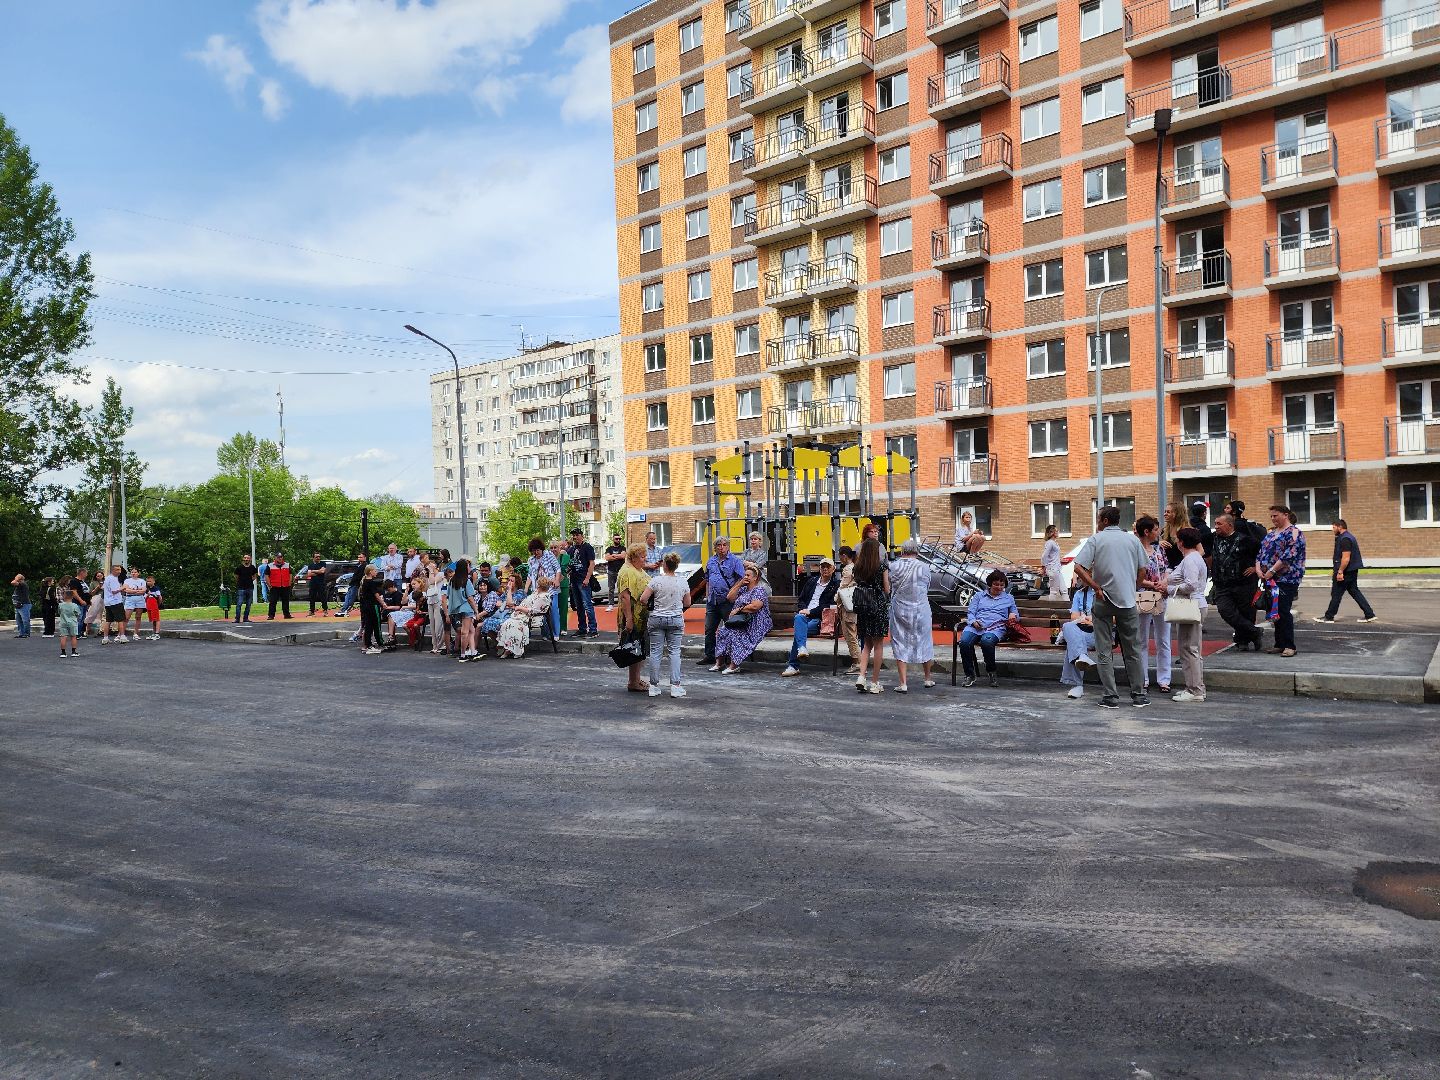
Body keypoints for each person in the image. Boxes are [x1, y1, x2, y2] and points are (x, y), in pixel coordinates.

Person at [1072, 505, 1151, 709]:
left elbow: (1078, 567)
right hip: (1127, 601)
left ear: (1105, 520)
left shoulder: (1096, 539)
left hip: (1103, 599)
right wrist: (1133, 587)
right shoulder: (1132, 540)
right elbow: (1143, 569)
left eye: (1099, 518)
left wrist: (1095, 586)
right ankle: (1138, 694)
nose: (1097, 522)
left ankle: (1110, 696)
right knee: (1132, 649)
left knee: (1104, 650)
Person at [1167, 526, 1210, 703]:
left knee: (1189, 648)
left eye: (1178, 540)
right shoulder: (1195, 558)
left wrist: (1169, 589)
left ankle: (1195, 690)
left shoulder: (1191, 559)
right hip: (1195, 604)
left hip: (1191, 605)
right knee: (1191, 648)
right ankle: (1194, 687)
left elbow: (1191, 584)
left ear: (1182, 542)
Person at [887, 539, 935, 693]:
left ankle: (903, 683)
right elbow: (926, 587)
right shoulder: (924, 567)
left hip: (899, 609)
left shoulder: (893, 566)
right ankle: (927, 678)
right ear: (917, 551)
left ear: (902, 551)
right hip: (921, 609)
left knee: (899, 641)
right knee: (925, 641)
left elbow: (889, 587)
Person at [1257, 504, 1306, 658]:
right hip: (1269, 578)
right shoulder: (1271, 534)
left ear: (1285, 515)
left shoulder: (1294, 532)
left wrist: (1272, 570)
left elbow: (1289, 555)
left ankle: (1290, 645)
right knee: (1274, 611)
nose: (1273, 519)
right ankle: (1279, 644)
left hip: (1286, 578)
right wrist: (1258, 569)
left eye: (1275, 515)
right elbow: (1261, 552)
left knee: (1283, 610)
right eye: (1271, 516)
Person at [959, 569, 1019, 688]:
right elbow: (971, 612)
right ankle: (969, 674)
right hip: (976, 627)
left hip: (996, 628)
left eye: (1002, 585)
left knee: (986, 642)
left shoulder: (1009, 598)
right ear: (990, 584)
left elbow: (1015, 614)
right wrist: (973, 621)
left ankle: (991, 672)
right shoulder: (979, 596)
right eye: (996, 584)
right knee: (964, 642)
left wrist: (1013, 615)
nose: (999, 587)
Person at [641, 550, 689, 697]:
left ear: (664, 565)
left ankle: (653, 686)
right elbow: (687, 602)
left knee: (655, 652)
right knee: (674, 652)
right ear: (676, 565)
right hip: (675, 618)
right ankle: (675, 686)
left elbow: (643, 599)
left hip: (657, 618)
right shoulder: (682, 581)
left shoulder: (656, 580)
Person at [1210, 514, 1262, 650]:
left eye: (1219, 524)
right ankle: (1255, 632)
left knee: (1246, 612)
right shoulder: (1213, 538)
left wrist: (1256, 568)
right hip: (1222, 584)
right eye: (1215, 524)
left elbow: (1264, 553)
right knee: (1225, 610)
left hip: (1244, 583)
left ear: (1230, 525)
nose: (1216, 527)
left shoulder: (1246, 540)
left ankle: (1243, 641)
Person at [781, 557, 840, 677]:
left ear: (833, 569)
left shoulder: (835, 585)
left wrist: (810, 612)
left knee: (799, 631)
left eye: (828, 567)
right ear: (819, 568)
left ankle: (793, 665)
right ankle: (801, 649)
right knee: (799, 618)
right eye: (823, 566)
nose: (825, 569)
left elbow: (829, 606)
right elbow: (801, 599)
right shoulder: (811, 581)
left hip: (820, 619)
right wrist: (804, 610)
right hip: (804, 617)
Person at [1135, 515, 1173, 695]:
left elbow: (1166, 569)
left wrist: (1164, 583)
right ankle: (1143, 679)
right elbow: (1135, 576)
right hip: (1144, 595)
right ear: (1147, 531)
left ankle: (1164, 679)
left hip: (1161, 595)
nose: (1158, 533)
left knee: (1163, 639)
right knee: (1142, 639)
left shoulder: (1159, 549)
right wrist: (1152, 584)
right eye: (1156, 529)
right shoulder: (1136, 550)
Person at [712, 562, 772, 676]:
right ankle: (719, 663)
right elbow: (729, 598)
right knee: (722, 631)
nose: (745, 577)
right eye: (745, 575)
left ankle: (734, 665)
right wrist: (739, 584)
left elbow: (755, 607)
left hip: (757, 621)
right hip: (741, 621)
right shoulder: (743, 589)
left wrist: (738, 610)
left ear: (755, 578)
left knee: (736, 634)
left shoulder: (759, 590)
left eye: (748, 575)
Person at [695, 536, 746, 668]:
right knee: (709, 629)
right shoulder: (711, 561)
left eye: (724, 545)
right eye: (719, 545)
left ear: (728, 546)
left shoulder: (735, 561)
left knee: (730, 628)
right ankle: (710, 655)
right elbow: (707, 579)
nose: (722, 548)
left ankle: (730, 656)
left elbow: (742, 579)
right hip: (712, 601)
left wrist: (734, 594)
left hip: (727, 601)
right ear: (715, 547)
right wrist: (707, 596)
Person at [1315, 519, 1378, 624]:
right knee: (1354, 591)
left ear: (1340, 527)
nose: (1333, 530)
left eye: (1334, 527)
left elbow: (1346, 558)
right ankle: (1369, 614)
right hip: (1351, 570)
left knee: (1336, 593)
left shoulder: (1345, 539)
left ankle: (1329, 617)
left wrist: (1340, 572)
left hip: (1346, 571)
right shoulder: (1348, 537)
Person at [852, 537, 891, 693]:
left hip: (863, 606)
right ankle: (875, 683)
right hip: (878, 606)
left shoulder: (858, 567)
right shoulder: (881, 567)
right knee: (878, 645)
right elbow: (886, 589)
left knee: (866, 644)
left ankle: (861, 676)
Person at [617, 545, 652, 691]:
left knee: (640, 648)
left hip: (641, 616)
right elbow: (625, 597)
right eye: (642, 557)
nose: (645, 559)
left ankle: (636, 679)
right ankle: (633, 682)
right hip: (632, 616)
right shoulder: (626, 571)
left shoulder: (637, 569)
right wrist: (629, 620)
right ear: (634, 558)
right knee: (634, 648)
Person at [1058, 582, 1098, 699]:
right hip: (1082, 631)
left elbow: (1114, 618)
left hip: (1100, 633)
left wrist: (1092, 620)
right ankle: (1082, 656)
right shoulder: (1080, 593)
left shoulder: (1108, 591)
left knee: (1074, 643)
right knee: (1067, 626)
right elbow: (1074, 617)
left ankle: (1077, 685)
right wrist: (1083, 619)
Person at [526, 536, 563, 640]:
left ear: (541, 549)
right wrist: (526, 589)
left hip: (551, 588)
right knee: (541, 610)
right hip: (538, 590)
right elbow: (530, 575)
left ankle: (556, 634)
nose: (536, 552)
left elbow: (558, 569)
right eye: (534, 551)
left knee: (553, 609)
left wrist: (556, 580)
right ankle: (545, 633)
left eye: (537, 550)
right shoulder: (531, 560)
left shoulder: (549, 555)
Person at [834, 546, 862, 675]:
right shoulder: (856, 567)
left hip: (847, 606)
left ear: (844, 556)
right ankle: (858, 663)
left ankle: (857, 663)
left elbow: (842, 587)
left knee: (850, 635)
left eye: (840, 556)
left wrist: (836, 600)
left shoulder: (848, 569)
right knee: (853, 634)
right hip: (853, 604)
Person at [447, 558, 481, 661]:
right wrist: (476, 611)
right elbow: (470, 598)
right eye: (468, 566)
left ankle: (473, 651)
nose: (469, 567)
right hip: (466, 608)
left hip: (456, 609)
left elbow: (449, 595)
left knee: (471, 630)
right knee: (465, 632)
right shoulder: (466, 581)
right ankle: (463, 654)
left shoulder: (451, 581)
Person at [568, 527, 599, 636]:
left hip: (583, 580)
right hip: (574, 580)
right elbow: (569, 564)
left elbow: (592, 563)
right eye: (573, 535)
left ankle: (593, 629)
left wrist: (587, 578)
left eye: (577, 535)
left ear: (582, 536)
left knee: (587, 605)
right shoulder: (571, 549)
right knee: (579, 606)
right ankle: (582, 628)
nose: (575, 537)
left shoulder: (587, 547)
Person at [358, 566, 387, 655]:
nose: (376, 572)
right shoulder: (371, 582)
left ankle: (368, 644)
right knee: (376, 624)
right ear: (370, 572)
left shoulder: (364, 582)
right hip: (373, 606)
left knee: (368, 625)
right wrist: (383, 603)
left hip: (366, 606)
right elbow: (376, 595)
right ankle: (380, 642)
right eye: (375, 571)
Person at [99, 564, 126, 644]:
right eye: (117, 570)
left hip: (108, 602)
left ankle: (105, 638)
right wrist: (123, 587)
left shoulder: (107, 578)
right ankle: (122, 637)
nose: (119, 571)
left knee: (108, 620)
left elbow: (103, 587)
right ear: (112, 570)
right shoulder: (113, 579)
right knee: (120, 620)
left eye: (120, 570)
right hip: (115, 601)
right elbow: (114, 591)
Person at [550, 539, 571, 636]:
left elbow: (566, 568)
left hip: (563, 585)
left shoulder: (565, 557)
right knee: (552, 608)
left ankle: (563, 628)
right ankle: (554, 628)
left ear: (559, 548)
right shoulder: (548, 558)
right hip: (551, 585)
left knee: (563, 607)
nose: (553, 549)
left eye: (555, 547)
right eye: (551, 548)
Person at [56, 575, 80, 658]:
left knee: (63, 637)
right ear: (72, 596)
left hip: (63, 622)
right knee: (73, 636)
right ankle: (73, 651)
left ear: (64, 596)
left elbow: (59, 612)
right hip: (73, 622)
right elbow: (78, 614)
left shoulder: (61, 605)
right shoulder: (74, 605)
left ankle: (63, 652)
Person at [122, 567, 148, 640]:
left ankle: (136, 633)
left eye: (135, 572)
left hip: (140, 599)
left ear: (138, 573)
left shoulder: (142, 581)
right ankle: (121, 634)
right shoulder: (127, 580)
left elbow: (143, 591)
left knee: (138, 617)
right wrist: (137, 590)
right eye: (132, 572)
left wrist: (133, 590)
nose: (133, 573)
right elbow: (126, 590)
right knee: (126, 617)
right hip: (130, 599)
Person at [1041, 524, 1065, 600]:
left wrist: (1060, 560)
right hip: (1053, 569)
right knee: (1053, 591)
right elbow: (1044, 556)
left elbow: (1052, 556)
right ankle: (1051, 606)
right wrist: (1044, 567)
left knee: (1064, 590)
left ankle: (1069, 606)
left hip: (1057, 568)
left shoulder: (1054, 543)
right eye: (1056, 531)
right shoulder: (1050, 543)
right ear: (1052, 532)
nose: (1058, 532)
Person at [266, 555, 293, 619]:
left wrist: (289, 583)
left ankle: (286, 614)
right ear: (275, 558)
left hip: (285, 586)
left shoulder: (287, 565)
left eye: (281, 557)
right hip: (274, 586)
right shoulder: (270, 565)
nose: (280, 558)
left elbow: (290, 574)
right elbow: (266, 575)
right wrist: (269, 584)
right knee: (273, 602)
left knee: (286, 601)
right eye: (278, 557)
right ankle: (271, 615)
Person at [603, 534, 626, 609]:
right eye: (616, 539)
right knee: (611, 588)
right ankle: (611, 604)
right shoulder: (609, 548)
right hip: (611, 571)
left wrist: (613, 556)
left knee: (621, 588)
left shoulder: (623, 548)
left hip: (621, 571)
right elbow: (607, 558)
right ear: (613, 539)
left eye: (619, 539)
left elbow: (623, 556)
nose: (618, 540)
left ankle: (621, 604)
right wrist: (618, 556)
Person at [234, 554, 258, 624]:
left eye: (247, 558)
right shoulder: (239, 567)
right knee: (239, 603)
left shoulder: (252, 567)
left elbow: (255, 575)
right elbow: (236, 576)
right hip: (241, 588)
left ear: (250, 559)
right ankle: (237, 618)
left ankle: (245, 618)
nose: (246, 559)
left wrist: (250, 580)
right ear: (243, 559)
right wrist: (240, 581)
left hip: (250, 588)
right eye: (245, 558)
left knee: (248, 604)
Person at [71, 569, 92, 638]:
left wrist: (89, 601)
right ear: (82, 573)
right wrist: (80, 600)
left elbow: (86, 592)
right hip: (78, 602)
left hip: (85, 602)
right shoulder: (74, 581)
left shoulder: (83, 582)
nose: (86, 575)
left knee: (83, 618)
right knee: (78, 618)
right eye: (86, 573)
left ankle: (81, 632)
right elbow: (74, 592)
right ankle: (76, 633)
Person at [9, 573, 31, 638]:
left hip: (24, 604)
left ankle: (26, 633)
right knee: (18, 620)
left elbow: (12, 582)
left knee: (25, 620)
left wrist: (16, 579)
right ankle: (21, 633)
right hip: (18, 605)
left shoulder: (23, 584)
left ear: (19, 579)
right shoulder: (19, 585)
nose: (15, 578)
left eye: (16, 577)